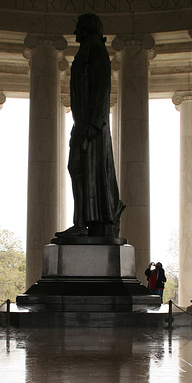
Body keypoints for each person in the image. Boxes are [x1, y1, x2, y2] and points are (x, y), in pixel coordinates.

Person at [56, 13, 124, 238]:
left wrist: (93, 125)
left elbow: (102, 89)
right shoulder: (86, 50)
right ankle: (82, 222)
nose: (75, 33)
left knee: (85, 170)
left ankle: (86, 222)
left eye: (79, 28)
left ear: (88, 28)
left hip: (93, 127)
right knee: (77, 168)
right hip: (82, 124)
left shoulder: (96, 50)